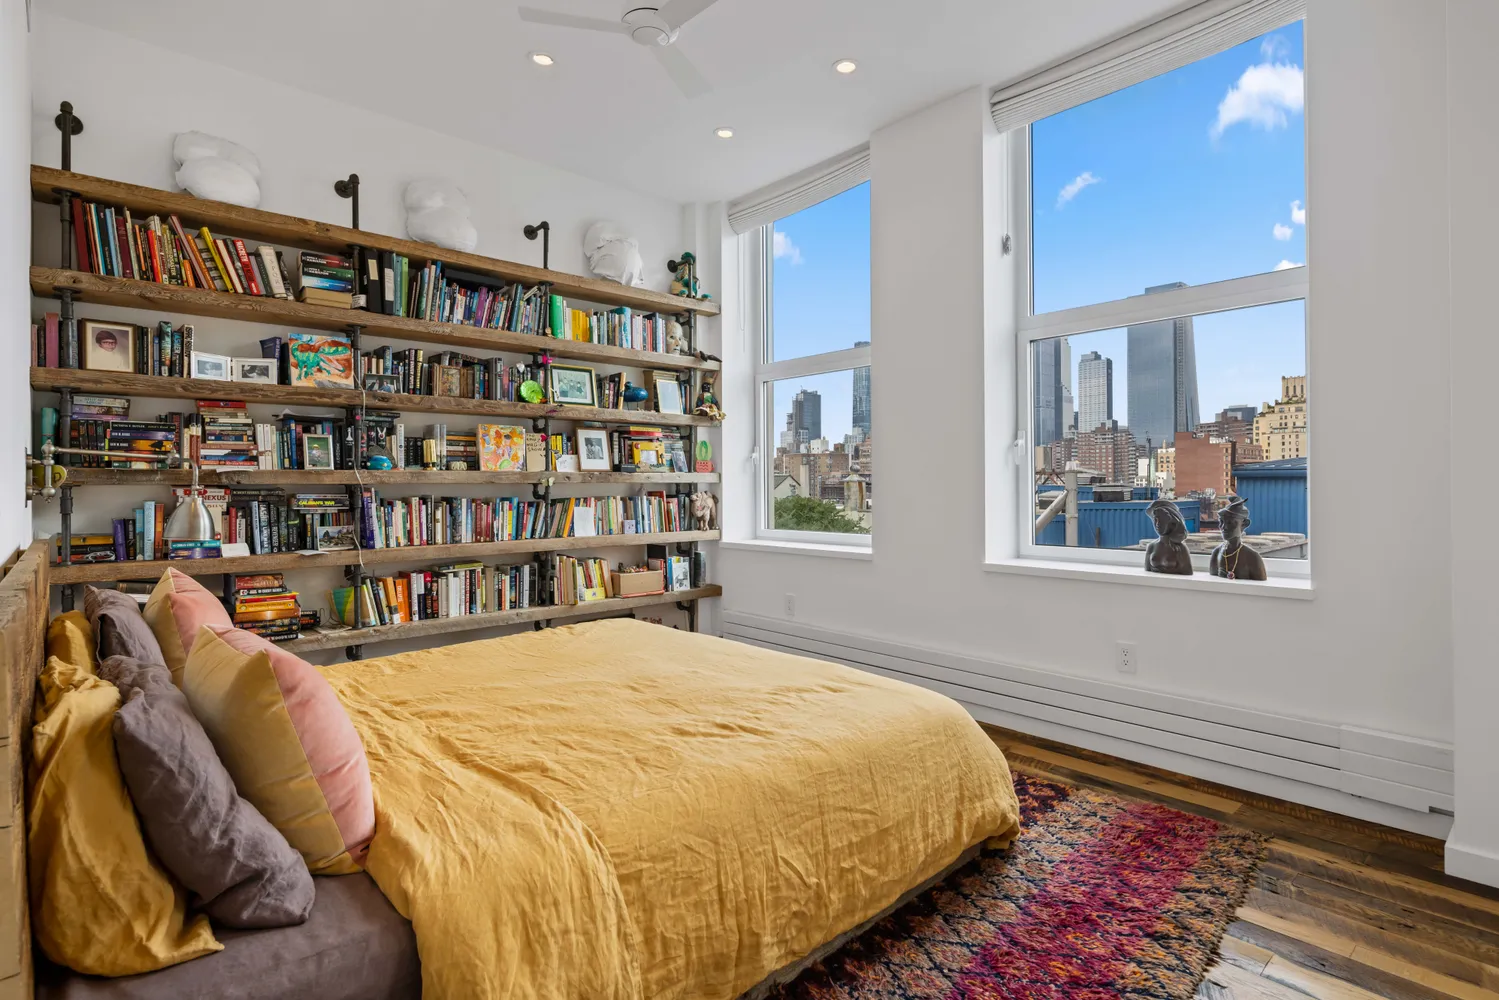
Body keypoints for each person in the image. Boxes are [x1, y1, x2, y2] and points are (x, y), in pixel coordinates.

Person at [1209, 496, 1267, 581]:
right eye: (1221, 521)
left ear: (1244, 524)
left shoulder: (1253, 558)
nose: (1223, 527)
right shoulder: (1216, 553)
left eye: (1230, 522)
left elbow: (1261, 589)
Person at [1144, 499, 1194, 575]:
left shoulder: (1180, 549)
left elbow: (1187, 572)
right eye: (1155, 519)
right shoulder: (1152, 546)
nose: (1157, 523)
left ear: (1172, 522)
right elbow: (1147, 571)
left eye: (1162, 520)